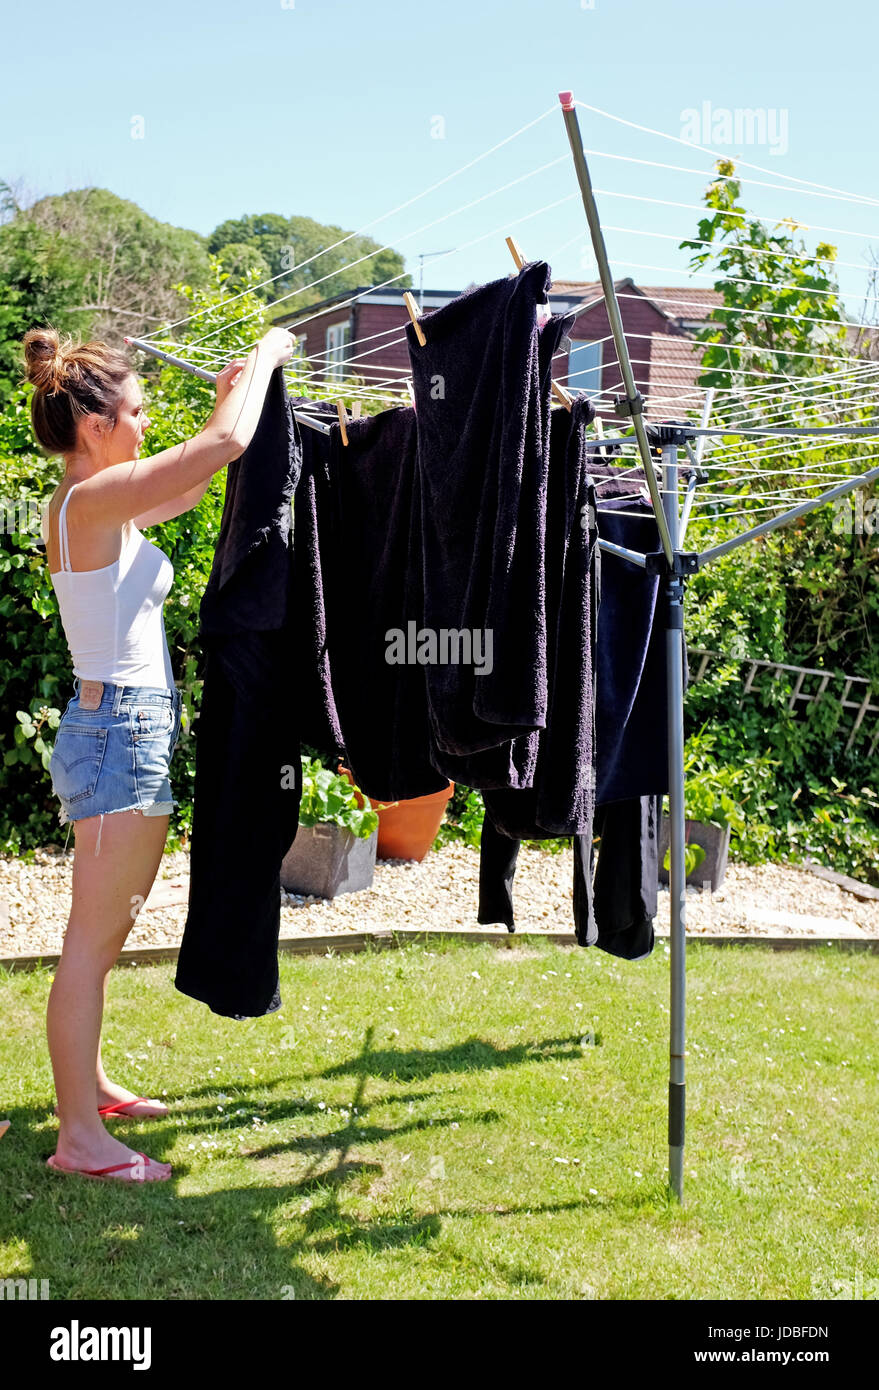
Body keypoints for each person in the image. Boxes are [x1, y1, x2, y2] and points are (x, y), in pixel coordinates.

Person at [23, 323, 296, 1183]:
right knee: (90, 939)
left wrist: (229, 395)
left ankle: (90, 1086)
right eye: (137, 412)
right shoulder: (89, 503)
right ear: (97, 425)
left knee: (105, 933)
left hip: (124, 730)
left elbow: (191, 477)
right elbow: (225, 446)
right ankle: (79, 1141)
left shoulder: (94, 501)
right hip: (118, 733)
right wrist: (272, 353)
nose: (146, 423)